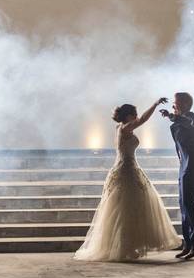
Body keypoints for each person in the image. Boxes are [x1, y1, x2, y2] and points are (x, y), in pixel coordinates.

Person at [74, 98, 182, 261]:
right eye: (135, 115)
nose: (137, 117)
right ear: (129, 116)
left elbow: (140, 121)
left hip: (127, 167)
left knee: (130, 208)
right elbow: (143, 120)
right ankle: (124, 247)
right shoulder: (124, 128)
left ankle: (129, 246)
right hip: (126, 169)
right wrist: (155, 104)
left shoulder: (120, 127)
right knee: (127, 208)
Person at [159, 92, 194, 259]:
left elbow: (188, 123)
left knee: (189, 204)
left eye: (176, 103)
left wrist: (171, 116)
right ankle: (188, 243)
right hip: (185, 165)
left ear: (185, 104)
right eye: (174, 103)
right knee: (183, 205)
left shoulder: (191, 118)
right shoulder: (181, 119)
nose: (174, 105)